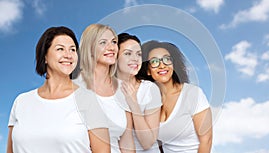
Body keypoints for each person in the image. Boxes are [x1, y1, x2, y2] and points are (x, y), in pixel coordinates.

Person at [6, 26, 110, 153]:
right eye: (60, 49)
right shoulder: (21, 101)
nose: (68, 55)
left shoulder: (89, 100)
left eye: (72, 50)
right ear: (45, 56)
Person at [136, 40, 213, 153]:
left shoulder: (192, 93)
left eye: (167, 59)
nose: (162, 65)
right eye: (155, 61)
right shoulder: (150, 102)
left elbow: (207, 140)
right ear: (148, 70)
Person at [73, 24, 135, 153]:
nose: (111, 47)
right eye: (103, 42)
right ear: (89, 48)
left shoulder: (122, 89)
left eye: (113, 42)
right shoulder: (73, 87)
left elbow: (127, 142)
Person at [116, 33, 162, 153]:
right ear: (115, 57)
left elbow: (147, 142)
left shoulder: (150, 89)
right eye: (127, 53)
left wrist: (134, 104)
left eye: (139, 54)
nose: (135, 59)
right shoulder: (107, 90)